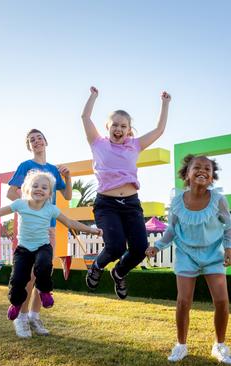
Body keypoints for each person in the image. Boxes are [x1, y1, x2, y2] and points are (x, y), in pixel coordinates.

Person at [0, 170, 102, 338]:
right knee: (18, 280)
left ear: (49, 193)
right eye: (35, 186)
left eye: (44, 187)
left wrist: (92, 230)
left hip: (42, 246)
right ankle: (15, 304)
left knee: (44, 264)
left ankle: (44, 292)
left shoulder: (51, 209)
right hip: (23, 249)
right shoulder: (20, 204)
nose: (39, 189)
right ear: (28, 189)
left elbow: (70, 222)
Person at [81, 86, 171, 299]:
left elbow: (159, 130)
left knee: (140, 249)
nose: (118, 129)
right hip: (107, 204)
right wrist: (93, 97)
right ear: (108, 127)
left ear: (129, 129)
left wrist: (165, 104)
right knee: (115, 246)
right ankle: (96, 266)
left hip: (131, 204)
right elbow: (85, 116)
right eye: (115, 125)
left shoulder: (135, 145)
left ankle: (119, 272)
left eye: (123, 126)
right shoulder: (97, 143)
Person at [145, 155, 231, 364]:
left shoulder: (219, 200)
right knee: (183, 301)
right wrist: (157, 246)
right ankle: (181, 345)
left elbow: (229, 225)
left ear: (212, 177)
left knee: (222, 301)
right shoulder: (177, 201)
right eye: (197, 167)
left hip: (213, 255)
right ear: (187, 174)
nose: (202, 171)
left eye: (208, 169)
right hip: (187, 255)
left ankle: (219, 345)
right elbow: (171, 230)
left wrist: (229, 249)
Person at [6, 129, 72, 337]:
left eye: (39, 138)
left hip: (49, 228)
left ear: (46, 141)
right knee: (28, 276)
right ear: (29, 146)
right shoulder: (25, 167)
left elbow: (67, 195)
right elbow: (10, 193)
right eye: (31, 140)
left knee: (43, 273)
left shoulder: (53, 169)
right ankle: (21, 318)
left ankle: (35, 316)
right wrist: (30, 201)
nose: (36, 142)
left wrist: (68, 177)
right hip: (30, 229)